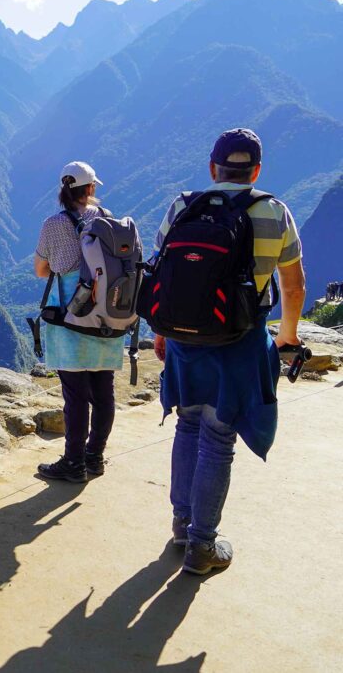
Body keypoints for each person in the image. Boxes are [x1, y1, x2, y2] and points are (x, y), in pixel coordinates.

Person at [153, 128, 305, 576]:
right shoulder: (274, 212)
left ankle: (182, 527)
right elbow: (293, 287)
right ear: (256, 171)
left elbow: (163, 273)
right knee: (219, 440)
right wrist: (287, 337)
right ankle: (202, 545)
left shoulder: (183, 206)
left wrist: (162, 332)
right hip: (240, 342)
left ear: (212, 168)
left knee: (187, 426)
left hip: (185, 340)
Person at [33, 161, 126, 483]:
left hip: (70, 317)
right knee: (103, 390)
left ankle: (73, 462)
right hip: (106, 316)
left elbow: (41, 270)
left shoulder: (53, 224)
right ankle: (94, 457)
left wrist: (65, 263)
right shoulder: (108, 220)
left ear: (63, 189)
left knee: (75, 395)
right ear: (91, 188)